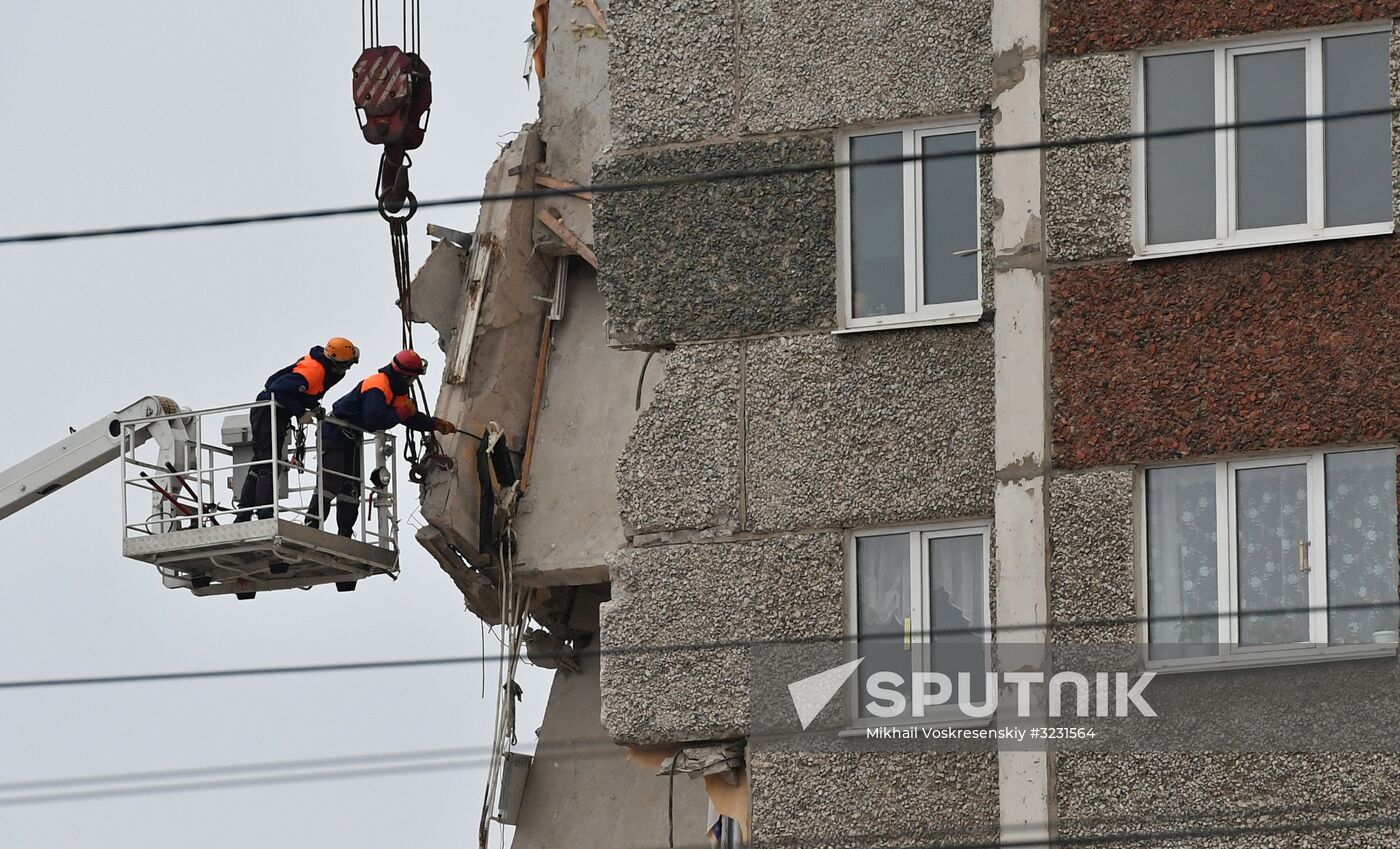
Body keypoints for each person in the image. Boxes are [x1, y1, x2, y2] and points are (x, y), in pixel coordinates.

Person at [306, 349, 456, 537]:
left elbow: (410, 417)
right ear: (403, 375)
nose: (414, 381)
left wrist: (434, 424)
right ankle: (312, 526)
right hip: (334, 432)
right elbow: (374, 421)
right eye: (412, 377)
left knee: (351, 487)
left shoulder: (398, 388)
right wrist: (402, 412)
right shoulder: (378, 386)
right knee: (330, 482)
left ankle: (344, 533)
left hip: (351, 437)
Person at [233, 338, 360, 522]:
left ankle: (245, 513)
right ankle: (264, 513)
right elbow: (278, 389)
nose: (347, 370)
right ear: (338, 363)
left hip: (275, 411)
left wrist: (312, 406)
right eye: (346, 365)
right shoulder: (314, 372)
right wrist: (300, 411)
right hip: (268, 410)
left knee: (262, 460)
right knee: (268, 461)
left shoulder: (321, 369)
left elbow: (302, 392)